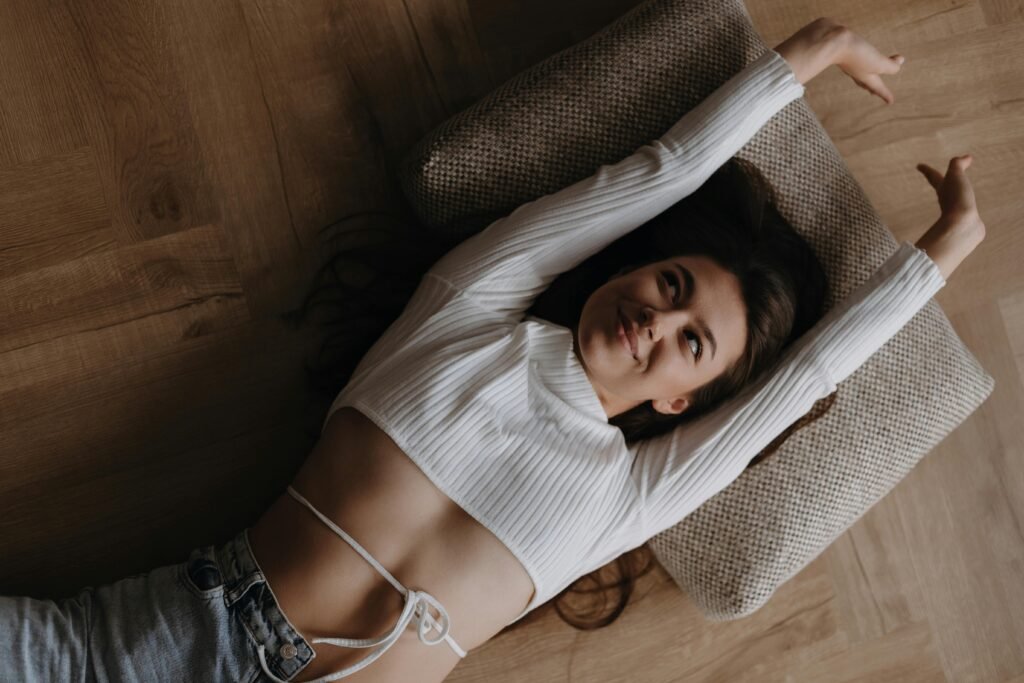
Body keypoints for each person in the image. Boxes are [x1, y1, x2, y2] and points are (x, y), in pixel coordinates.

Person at [0, 16, 985, 683]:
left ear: (687, 399)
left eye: (693, 342)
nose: (657, 319)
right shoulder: (474, 305)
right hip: (178, 644)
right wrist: (802, 56)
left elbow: (808, 374)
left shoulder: (628, 495)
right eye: (670, 284)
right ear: (633, 268)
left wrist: (940, 254)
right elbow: (662, 170)